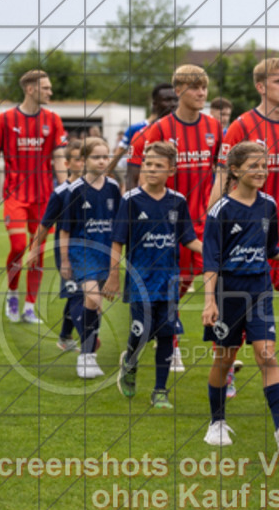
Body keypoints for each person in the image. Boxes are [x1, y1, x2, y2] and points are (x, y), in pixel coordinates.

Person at [209, 57, 279, 411]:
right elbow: (222, 179)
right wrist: (215, 228)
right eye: (278, 81)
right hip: (244, 235)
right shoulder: (241, 126)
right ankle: (224, 371)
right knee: (235, 311)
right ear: (260, 86)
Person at [200, 141, 279, 451]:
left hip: (260, 290)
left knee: (266, 353)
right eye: (253, 165)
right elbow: (210, 261)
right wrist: (210, 301)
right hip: (228, 295)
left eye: (264, 165)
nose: (261, 171)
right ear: (234, 170)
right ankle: (217, 421)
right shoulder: (220, 210)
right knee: (224, 359)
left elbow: (271, 249)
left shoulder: (269, 205)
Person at [127, 66, 223, 373]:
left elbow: (223, 171)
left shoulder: (214, 127)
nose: (202, 94)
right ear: (180, 91)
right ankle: (172, 343)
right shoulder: (158, 130)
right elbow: (137, 172)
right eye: (195, 88)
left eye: (204, 89)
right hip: (168, 223)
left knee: (197, 280)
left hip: (205, 221)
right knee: (173, 283)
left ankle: (215, 346)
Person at [108, 141, 203, 406]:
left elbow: (188, 239)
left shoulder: (178, 201)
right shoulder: (130, 201)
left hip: (169, 281)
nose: (150, 169)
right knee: (140, 331)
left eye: (158, 166)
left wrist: (210, 251)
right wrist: (113, 276)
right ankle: (130, 361)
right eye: (147, 164)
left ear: (171, 171)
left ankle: (160, 391)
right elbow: (117, 240)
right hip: (140, 281)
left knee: (166, 335)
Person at [0, 69, 69, 324]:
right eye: (46, 88)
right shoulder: (5, 119)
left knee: (38, 252)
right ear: (30, 89)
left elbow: (58, 159)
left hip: (44, 198)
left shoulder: (53, 120)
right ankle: (12, 294)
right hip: (15, 195)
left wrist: (65, 193)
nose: (51, 92)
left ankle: (30, 306)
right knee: (19, 248)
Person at [59, 137, 120, 379]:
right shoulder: (74, 190)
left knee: (96, 305)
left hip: (104, 253)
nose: (102, 161)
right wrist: (64, 260)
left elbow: (118, 224)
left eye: (106, 156)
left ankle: (89, 356)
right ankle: (85, 357)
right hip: (81, 253)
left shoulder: (113, 187)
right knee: (92, 297)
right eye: (96, 157)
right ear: (83, 161)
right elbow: (65, 229)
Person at [26, 140, 86, 351]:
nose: (83, 163)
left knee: (79, 295)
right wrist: (34, 250)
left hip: (91, 254)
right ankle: (89, 342)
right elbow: (44, 225)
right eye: (78, 159)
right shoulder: (61, 193)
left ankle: (64, 336)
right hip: (67, 253)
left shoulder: (93, 188)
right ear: (68, 163)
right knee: (78, 295)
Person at [106, 83, 178, 185]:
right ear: (155, 104)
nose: (173, 104)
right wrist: (105, 174)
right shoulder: (136, 129)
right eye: (167, 100)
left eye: (175, 100)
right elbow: (119, 154)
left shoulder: (184, 129)